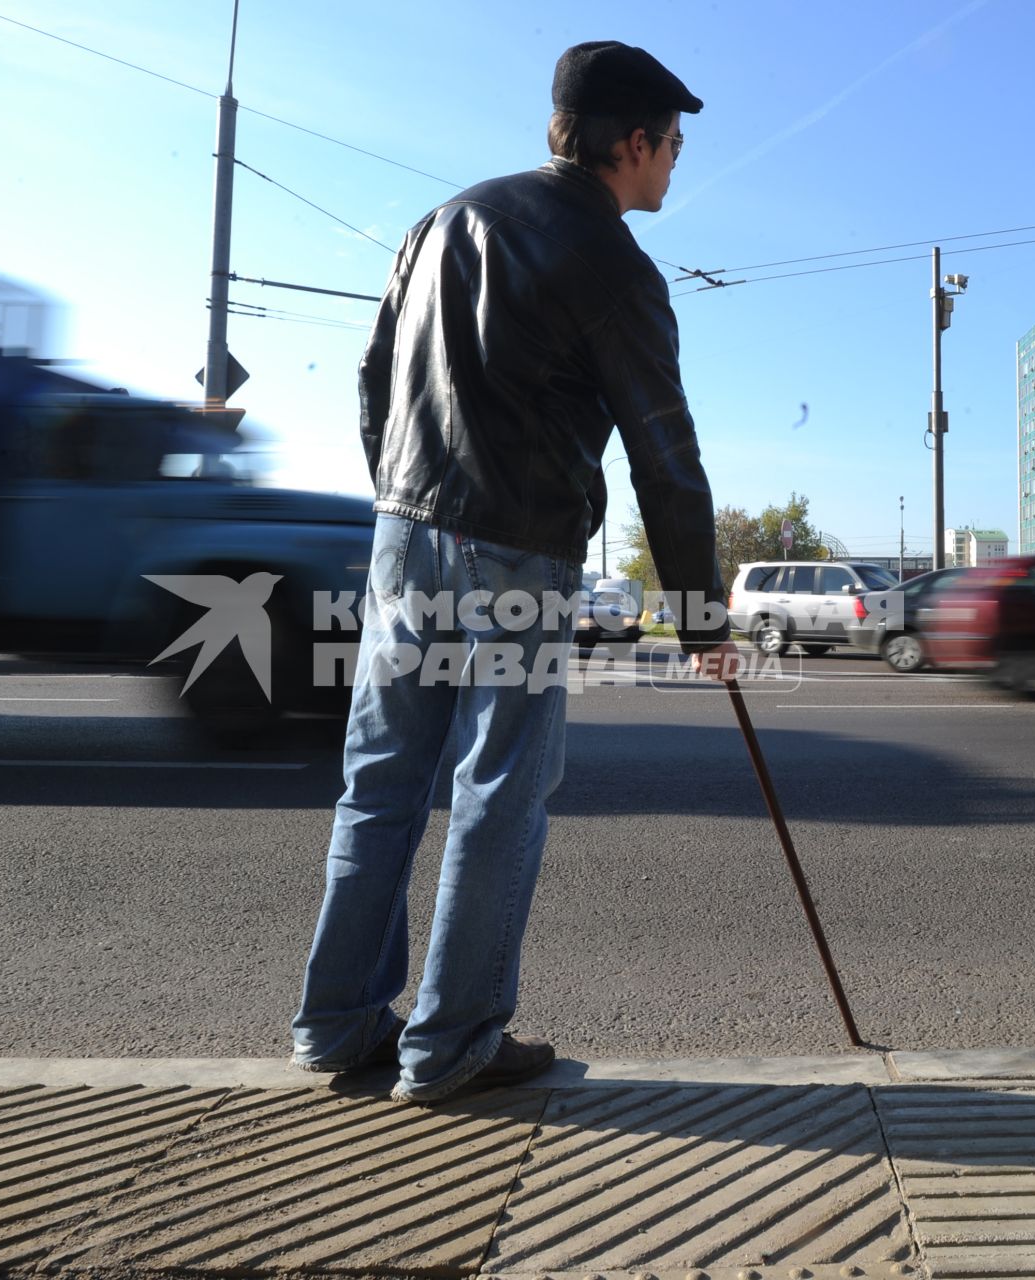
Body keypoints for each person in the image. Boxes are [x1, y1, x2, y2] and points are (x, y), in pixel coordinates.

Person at [291, 39, 742, 1105]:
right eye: (672, 145)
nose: (675, 164)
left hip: (404, 530)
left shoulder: (437, 222)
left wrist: (399, 508)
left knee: (382, 780)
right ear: (631, 141)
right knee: (499, 788)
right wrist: (697, 613)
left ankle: (338, 1021)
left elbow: (372, 383)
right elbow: (663, 454)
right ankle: (451, 1045)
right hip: (518, 548)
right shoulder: (613, 262)